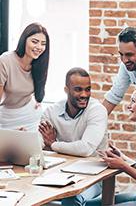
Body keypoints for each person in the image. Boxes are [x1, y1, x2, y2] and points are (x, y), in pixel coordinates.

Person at [39, 67, 108, 206]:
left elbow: (86, 148)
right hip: (58, 172)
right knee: (35, 193)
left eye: (88, 89)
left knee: (73, 198)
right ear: (66, 90)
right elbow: (38, 144)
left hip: (93, 175)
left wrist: (53, 145)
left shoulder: (97, 110)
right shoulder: (51, 111)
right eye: (78, 89)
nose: (84, 94)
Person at [0, 22, 50, 131]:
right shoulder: (5, 61)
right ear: (24, 41)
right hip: (6, 117)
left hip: (30, 115)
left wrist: (36, 103)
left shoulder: (39, 64)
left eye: (43, 43)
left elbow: (38, 93)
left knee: (31, 146)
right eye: (34, 42)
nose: (39, 47)